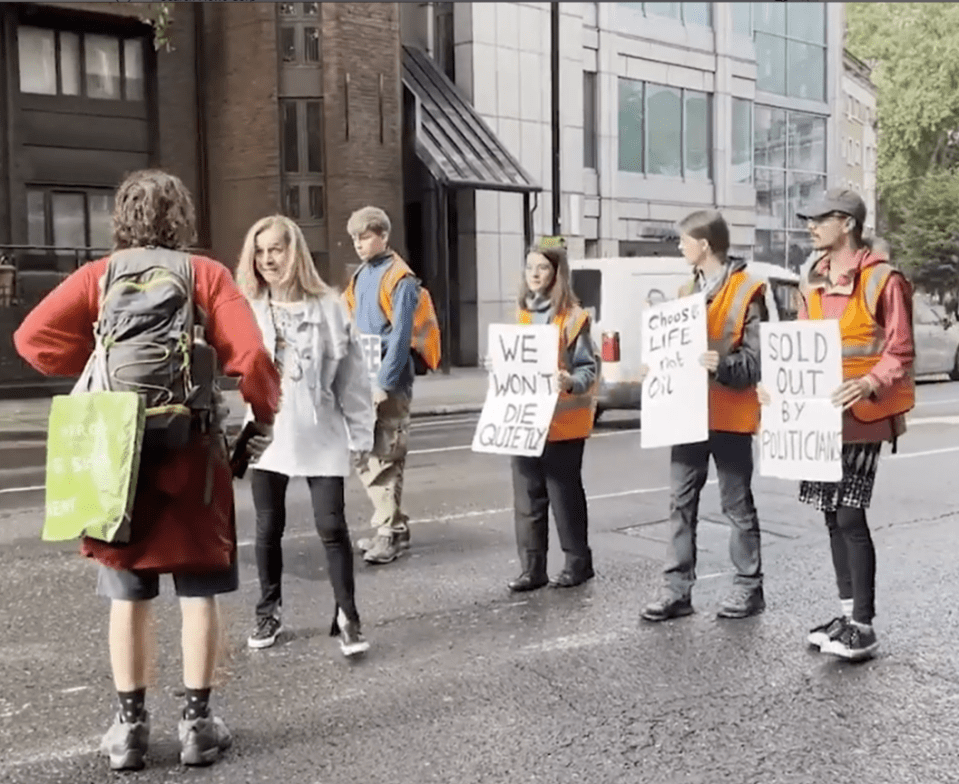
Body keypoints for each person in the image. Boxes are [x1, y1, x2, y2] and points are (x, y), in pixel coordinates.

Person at [13, 170, 281, 770]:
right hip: (192, 451)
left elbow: (32, 339)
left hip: (116, 447)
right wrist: (263, 416)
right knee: (198, 593)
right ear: (181, 219)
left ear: (122, 219)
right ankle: (197, 726)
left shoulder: (98, 276)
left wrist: (102, 359)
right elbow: (254, 355)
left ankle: (130, 731)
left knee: (126, 594)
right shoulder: (205, 275)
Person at [782, 189, 914, 660]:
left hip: (862, 416)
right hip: (819, 418)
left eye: (821, 219)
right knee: (830, 515)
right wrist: (778, 390)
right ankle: (847, 613)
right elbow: (798, 347)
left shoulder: (883, 280)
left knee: (850, 516)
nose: (811, 227)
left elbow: (899, 350)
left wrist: (868, 383)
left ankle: (864, 624)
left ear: (848, 224)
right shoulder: (812, 281)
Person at [236, 215, 375, 655]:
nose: (267, 259)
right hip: (267, 432)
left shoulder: (329, 307)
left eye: (275, 249)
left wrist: (360, 437)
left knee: (331, 526)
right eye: (259, 251)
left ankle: (347, 614)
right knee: (267, 528)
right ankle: (268, 609)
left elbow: (352, 380)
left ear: (294, 251)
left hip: (320, 429)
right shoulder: (248, 308)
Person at [640, 210, 768, 622]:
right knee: (680, 504)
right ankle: (677, 592)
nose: (680, 247)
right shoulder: (684, 292)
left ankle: (749, 590)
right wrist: (656, 366)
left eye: (684, 241)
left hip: (729, 417)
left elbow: (757, 362)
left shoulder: (749, 291)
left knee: (737, 505)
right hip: (687, 416)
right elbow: (674, 355)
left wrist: (722, 365)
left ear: (704, 246)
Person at [505, 240, 599, 592]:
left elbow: (589, 368)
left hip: (562, 424)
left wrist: (571, 381)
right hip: (525, 421)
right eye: (529, 266)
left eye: (542, 267)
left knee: (563, 496)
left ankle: (578, 563)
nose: (534, 273)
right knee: (527, 496)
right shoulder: (521, 314)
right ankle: (533, 568)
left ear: (556, 273)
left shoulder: (574, 318)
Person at [342, 207, 418, 565]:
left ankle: (387, 533)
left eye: (365, 236)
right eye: (355, 237)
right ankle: (394, 528)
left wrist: (384, 384)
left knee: (385, 455)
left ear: (383, 236)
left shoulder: (400, 279)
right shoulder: (361, 275)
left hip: (388, 383)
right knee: (367, 455)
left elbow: (401, 337)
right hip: (364, 379)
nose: (359, 243)